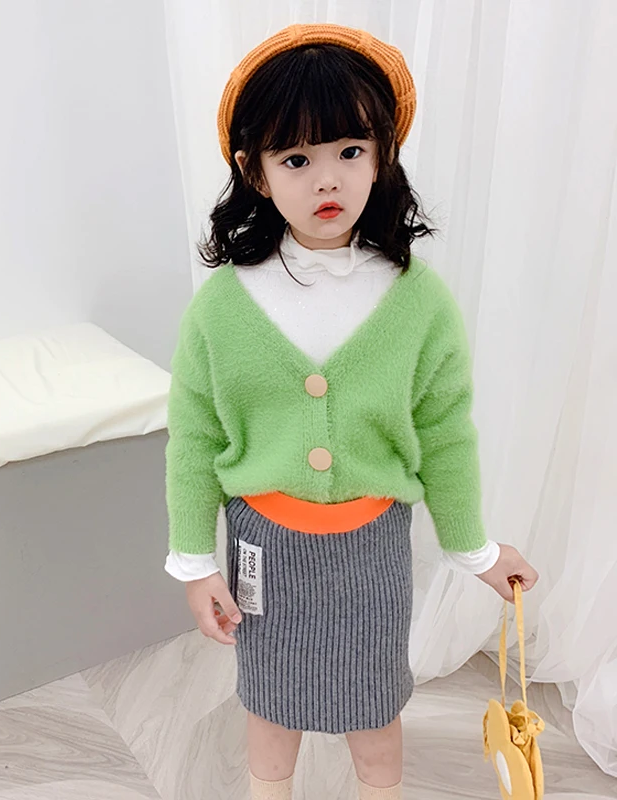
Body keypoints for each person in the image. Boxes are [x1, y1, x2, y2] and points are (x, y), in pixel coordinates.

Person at [164, 23, 539, 800]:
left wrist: (474, 550)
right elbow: (195, 438)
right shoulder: (223, 307)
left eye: (350, 150)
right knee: (270, 709)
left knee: (374, 711)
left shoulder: (418, 300)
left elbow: (444, 432)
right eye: (296, 159)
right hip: (265, 548)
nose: (326, 180)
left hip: (372, 549)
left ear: (382, 156)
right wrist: (195, 564)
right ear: (255, 170)